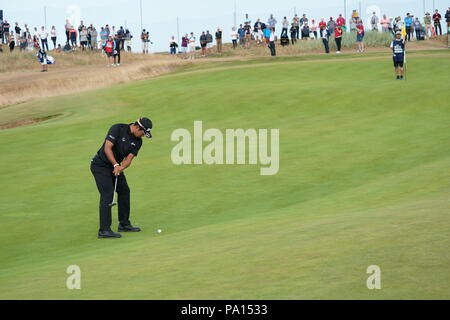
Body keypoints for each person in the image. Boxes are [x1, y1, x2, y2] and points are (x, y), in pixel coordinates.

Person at [90, 117, 153, 239]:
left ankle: (124, 224)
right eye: (143, 133)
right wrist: (115, 164)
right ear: (137, 127)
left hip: (115, 167)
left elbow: (128, 159)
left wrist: (121, 168)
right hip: (100, 165)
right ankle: (104, 230)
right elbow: (107, 148)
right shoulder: (118, 128)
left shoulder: (138, 142)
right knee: (107, 194)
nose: (143, 136)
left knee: (124, 191)